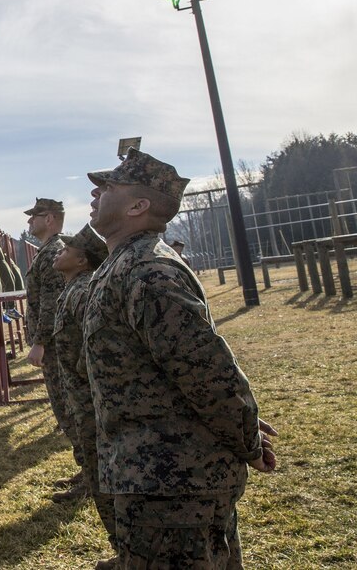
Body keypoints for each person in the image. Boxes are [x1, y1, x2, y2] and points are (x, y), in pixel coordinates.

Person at [84, 147, 277, 567]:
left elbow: (209, 373)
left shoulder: (148, 271)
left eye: (109, 186)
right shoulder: (124, 265)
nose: (96, 192)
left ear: (139, 205)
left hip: (174, 488)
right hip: (158, 480)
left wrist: (246, 437)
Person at [50, 223, 112, 552]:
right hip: (83, 399)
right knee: (98, 473)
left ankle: (127, 551)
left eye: (68, 249)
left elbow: (95, 349)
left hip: (92, 401)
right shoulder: (73, 288)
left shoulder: (84, 290)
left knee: (107, 482)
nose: (60, 252)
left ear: (82, 261)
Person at [23, 198, 73, 488]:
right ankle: (87, 471)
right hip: (55, 343)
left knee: (68, 408)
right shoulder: (50, 250)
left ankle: (90, 477)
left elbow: (51, 303)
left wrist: (40, 342)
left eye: (35, 216)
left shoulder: (54, 251)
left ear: (50, 219)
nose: (30, 221)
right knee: (66, 408)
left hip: (55, 344)